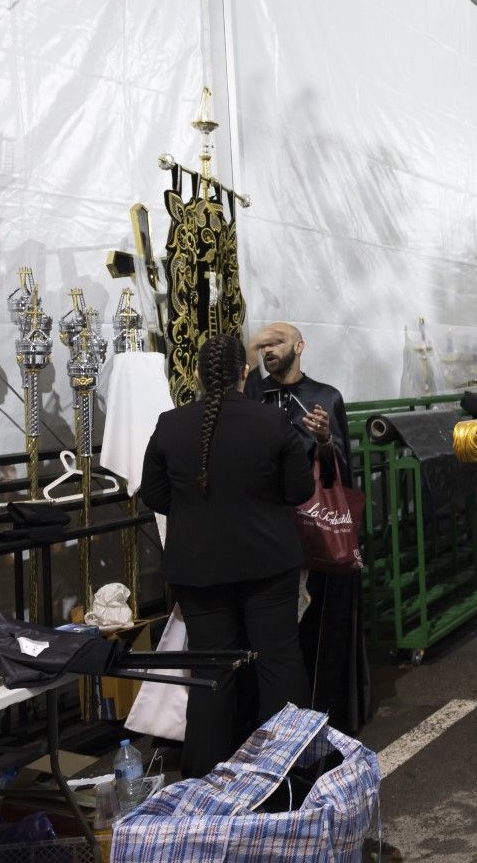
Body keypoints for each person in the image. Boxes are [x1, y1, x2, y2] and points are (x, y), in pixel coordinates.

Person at [140, 333, 312, 777]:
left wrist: (199, 513)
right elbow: (299, 490)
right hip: (267, 564)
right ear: (244, 373)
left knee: (212, 671)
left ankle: (204, 780)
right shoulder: (271, 422)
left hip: (198, 569)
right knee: (278, 664)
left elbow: (155, 495)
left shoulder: (170, 425)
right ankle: (287, 773)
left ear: (196, 375)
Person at [244, 322, 369, 735]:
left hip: (313, 531)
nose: (268, 350)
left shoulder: (324, 397)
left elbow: (341, 477)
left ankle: (323, 719)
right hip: (266, 531)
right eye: (262, 345)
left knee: (318, 628)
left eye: (276, 342)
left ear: (300, 346)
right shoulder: (253, 395)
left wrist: (326, 442)